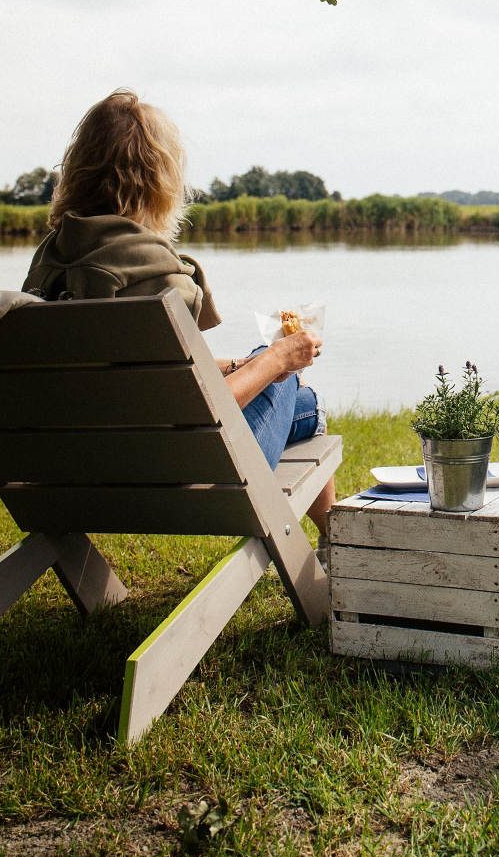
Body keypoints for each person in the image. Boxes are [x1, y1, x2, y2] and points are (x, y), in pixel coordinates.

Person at [22, 89, 336, 536]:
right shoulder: (155, 276)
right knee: (299, 395)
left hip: (70, 476)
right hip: (179, 483)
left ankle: (331, 536)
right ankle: (335, 545)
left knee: (284, 385)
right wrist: (277, 359)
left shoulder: (50, 266)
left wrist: (248, 363)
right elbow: (199, 410)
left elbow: (142, 377)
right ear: (160, 178)